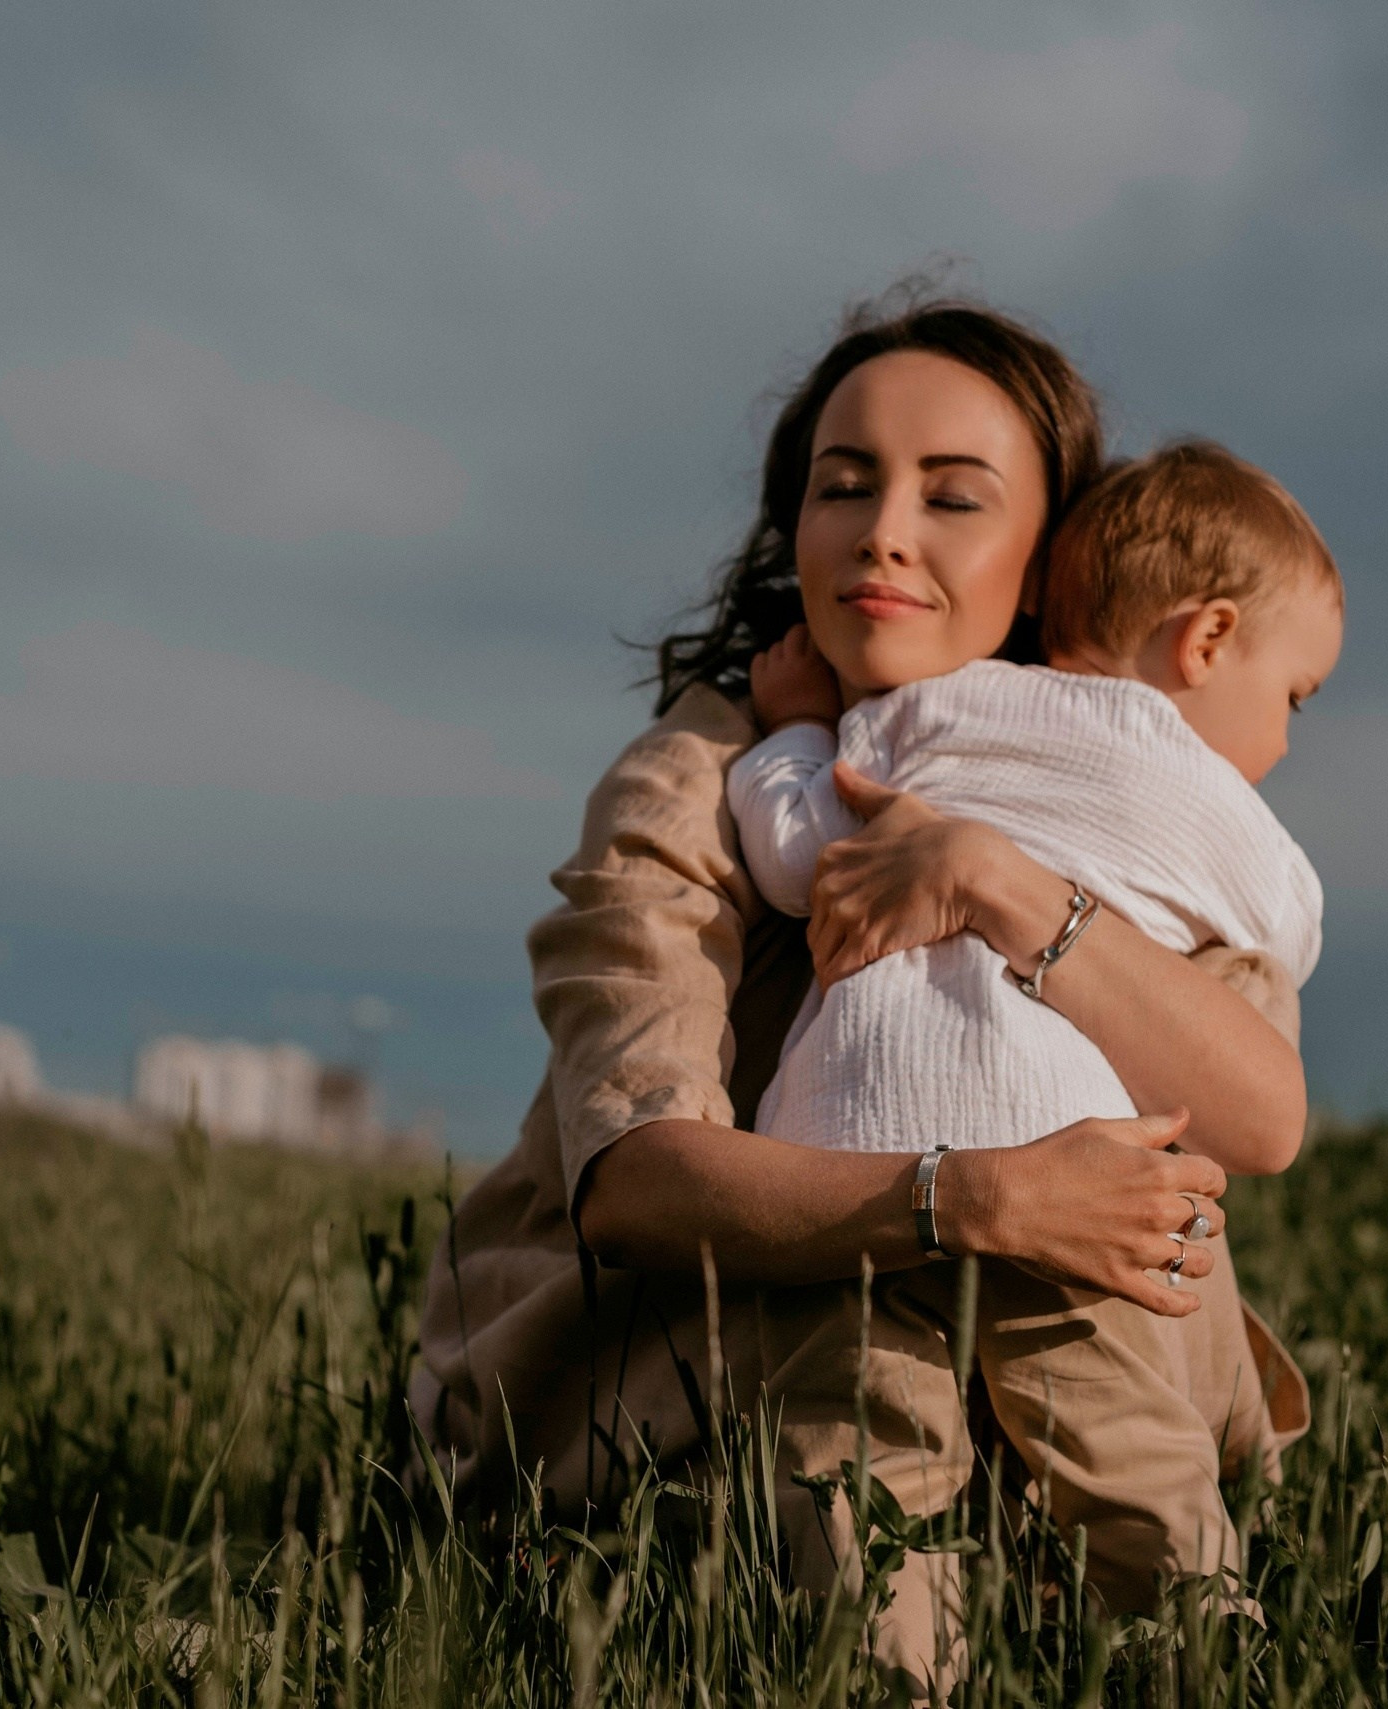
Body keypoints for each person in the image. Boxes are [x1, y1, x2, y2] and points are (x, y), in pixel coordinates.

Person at [410, 296, 1311, 1691]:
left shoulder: (1136, 793)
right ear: (797, 531)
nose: (885, 528)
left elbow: (1260, 1112)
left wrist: (998, 879)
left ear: (1048, 559)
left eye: (954, 497)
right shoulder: (706, 775)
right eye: (844, 486)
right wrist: (980, 1195)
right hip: (696, 1392)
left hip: (1056, 1394)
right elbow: (639, 1175)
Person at [727, 438, 1343, 1616]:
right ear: (1206, 641)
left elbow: (800, 857)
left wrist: (796, 730)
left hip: (852, 1149)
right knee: (1127, 1455)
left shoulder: (921, 710)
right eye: (1293, 697)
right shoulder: (1218, 801)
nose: (1278, 739)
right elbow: (1282, 939)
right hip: (1068, 1166)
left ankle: (886, 1669)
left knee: (858, 1463)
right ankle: (1197, 1639)